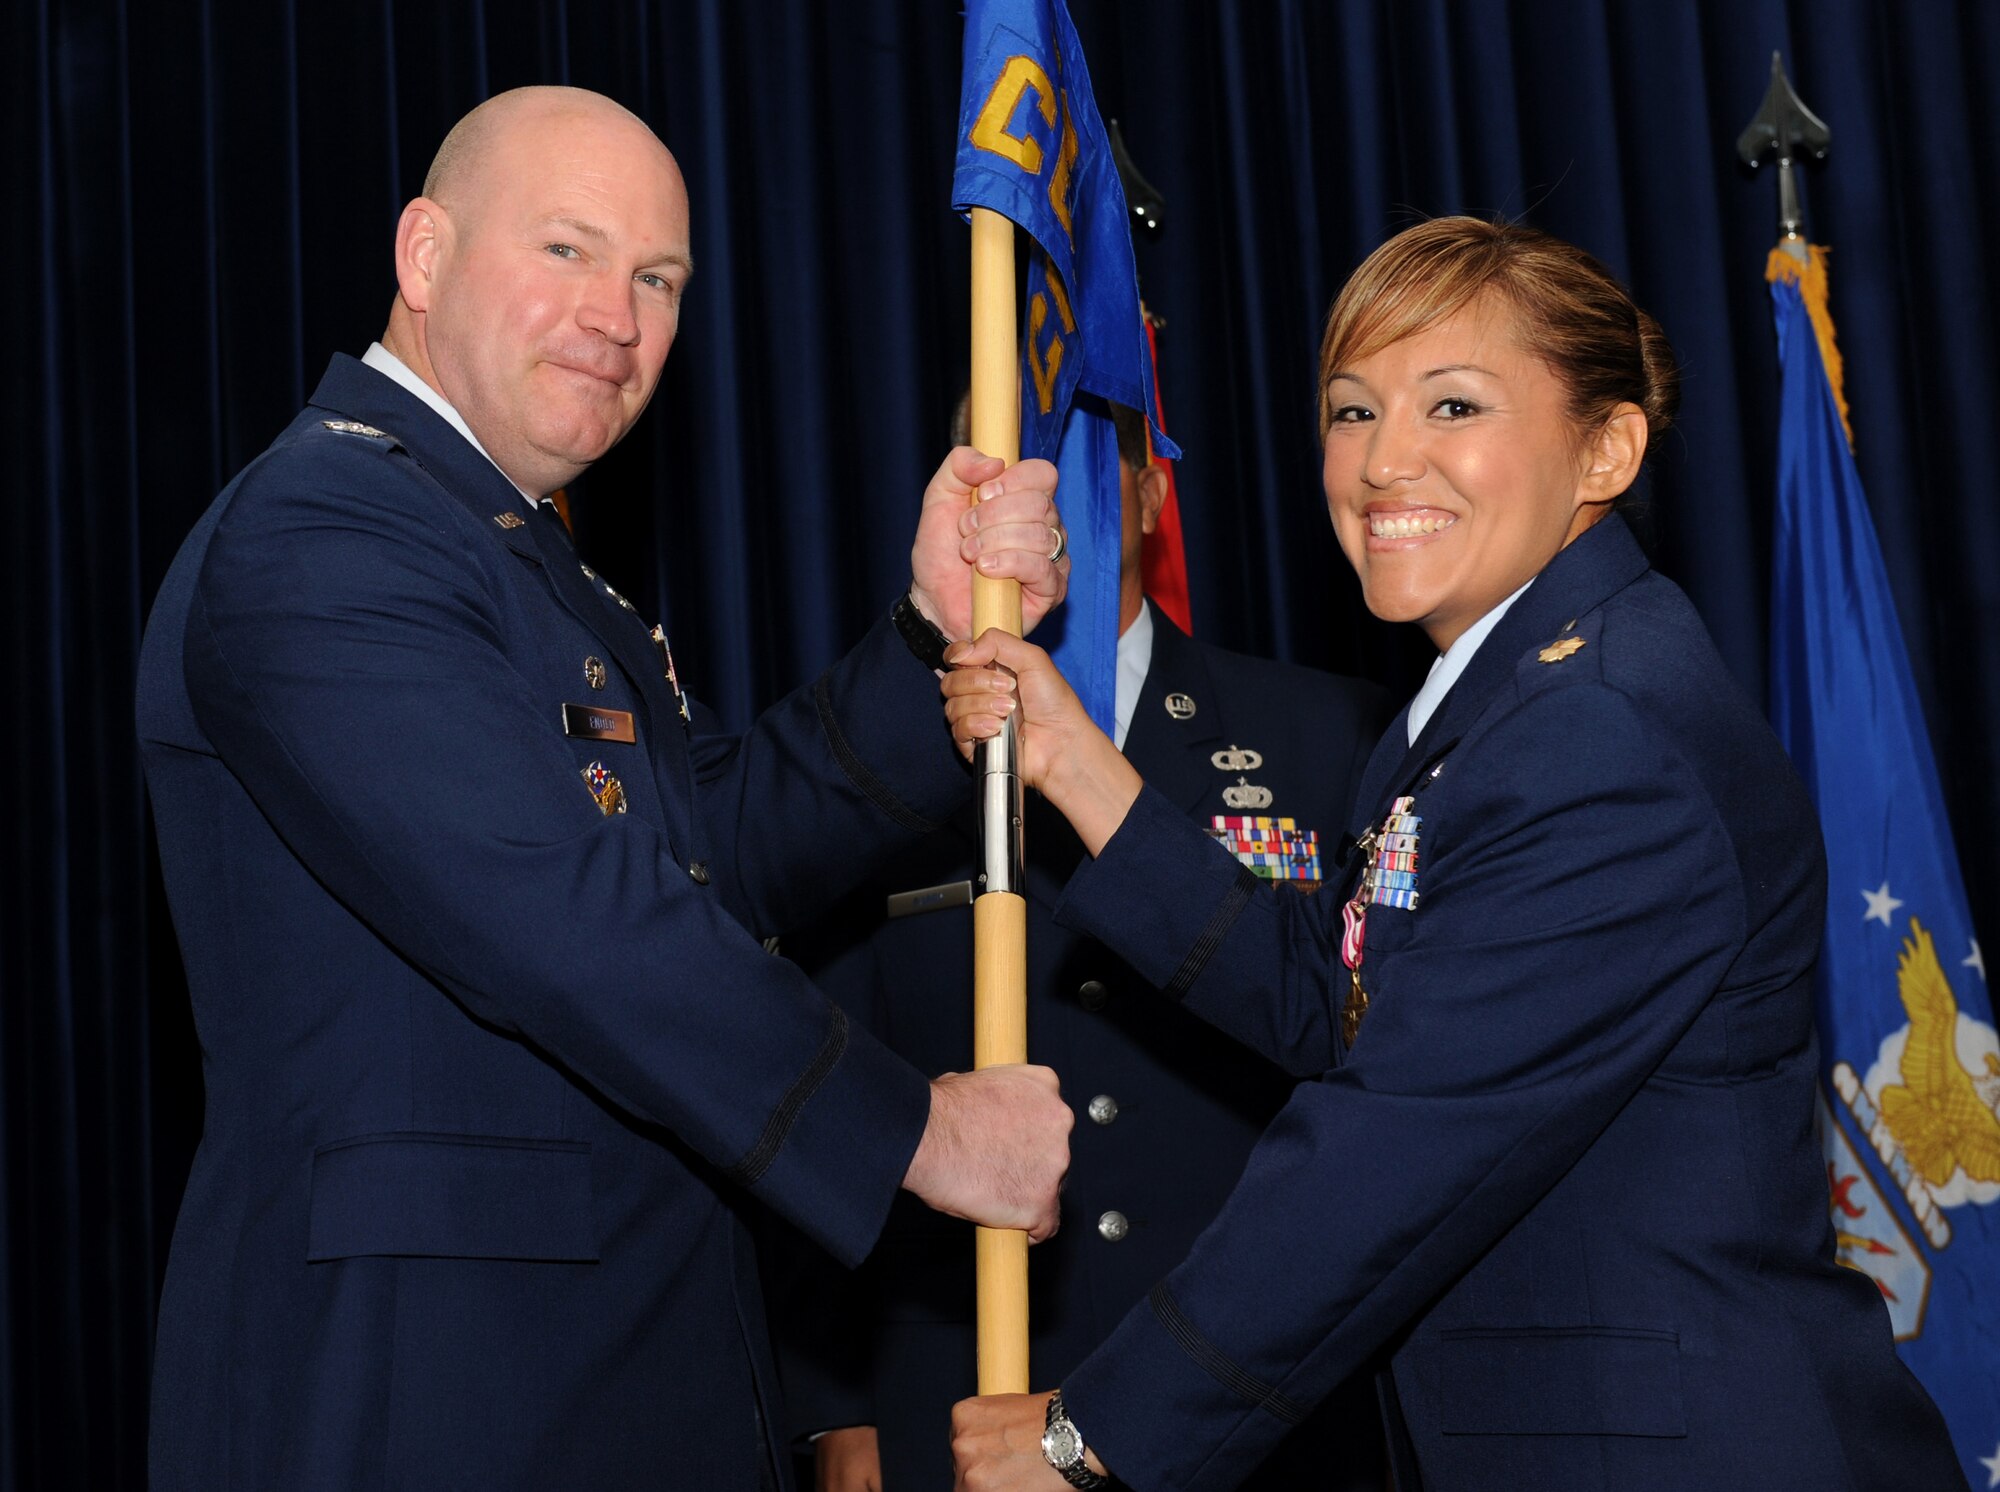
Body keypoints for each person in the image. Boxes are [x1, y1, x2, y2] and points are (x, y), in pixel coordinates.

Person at [135, 86, 1076, 1490]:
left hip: (610, 1376)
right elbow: (573, 922)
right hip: (428, 1401)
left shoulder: (505, 550)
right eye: (567, 252)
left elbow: (703, 852)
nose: (620, 318)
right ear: (424, 256)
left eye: (658, 279)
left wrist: (934, 638)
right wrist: (922, 1136)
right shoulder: (322, 534)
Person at [940, 217, 1965, 1490]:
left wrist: (1091, 1434)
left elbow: (1393, 1143)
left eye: (1453, 404)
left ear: (1605, 447)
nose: (1384, 463)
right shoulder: (1493, 703)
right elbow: (1348, 1005)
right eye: (1352, 411)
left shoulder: (1596, 731)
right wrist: (1074, 765)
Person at [783, 401, 1391, 1491]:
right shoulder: (873, 755)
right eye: (996, 462)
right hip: (967, 1397)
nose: (1032, 489)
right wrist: (832, 1405)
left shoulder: (1325, 738)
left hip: (1257, 1407)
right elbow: (811, 1067)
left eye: (1065, 455)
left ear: (1151, 495)